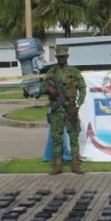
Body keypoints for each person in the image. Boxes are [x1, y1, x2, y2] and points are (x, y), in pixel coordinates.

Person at [43, 45, 87, 175]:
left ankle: (75, 165)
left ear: (67, 57)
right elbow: (43, 85)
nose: (61, 59)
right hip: (57, 111)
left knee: (74, 137)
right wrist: (48, 89)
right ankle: (58, 165)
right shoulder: (52, 72)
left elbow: (83, 89)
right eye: (59, 57)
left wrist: (77, 105)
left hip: (71, 109)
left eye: (63, 57)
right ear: (56, 58)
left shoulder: (74, 72)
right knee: (57, 138)